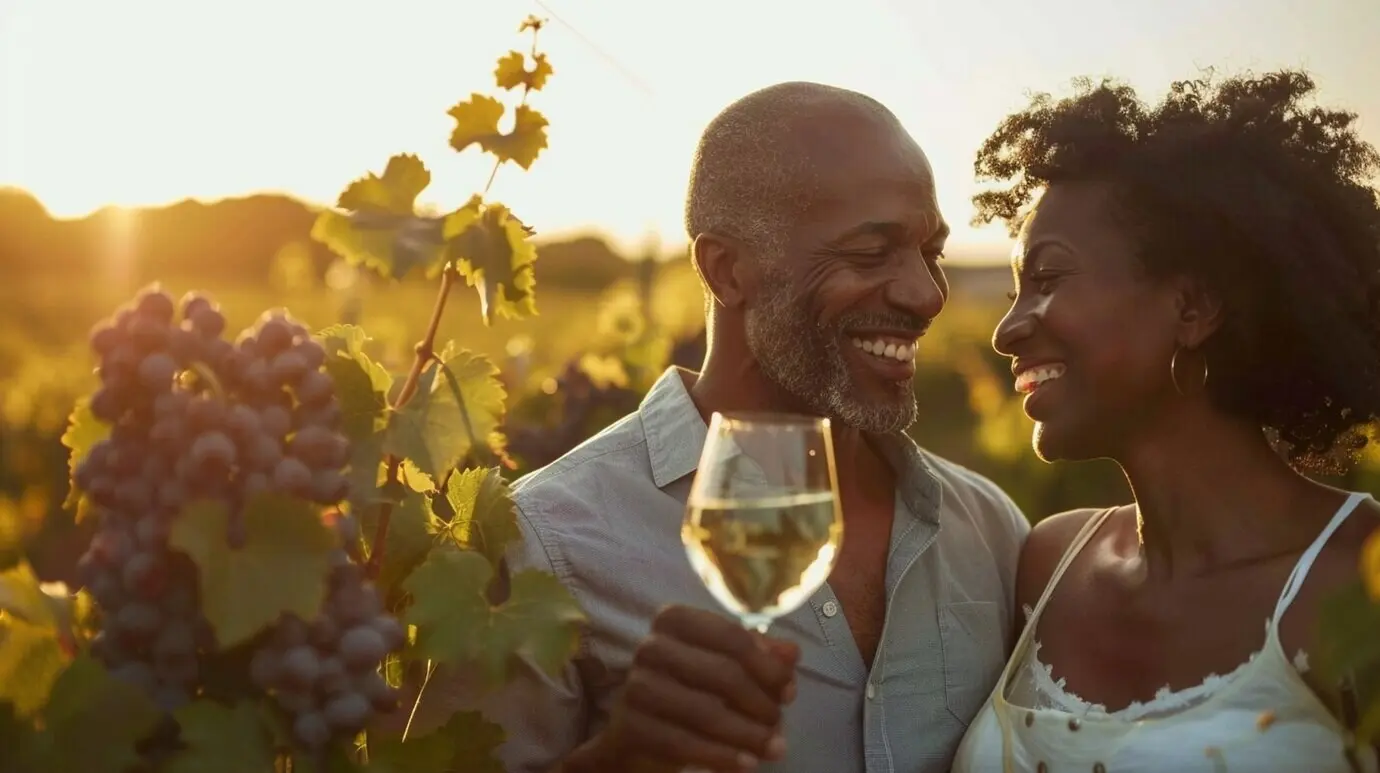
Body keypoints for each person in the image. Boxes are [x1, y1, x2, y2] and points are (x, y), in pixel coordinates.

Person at [421, 81, 1030, 773]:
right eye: (870, 252)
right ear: (727, 269)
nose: (926, 294)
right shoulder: (546, 541)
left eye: (933, 253)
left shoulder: (992, 532)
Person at [950, 69, 1380, 773]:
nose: (1006, 331)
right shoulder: (1047, 565)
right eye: (1014, 292)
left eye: (1047, 279)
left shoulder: (1359, 580)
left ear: (1192, 308)